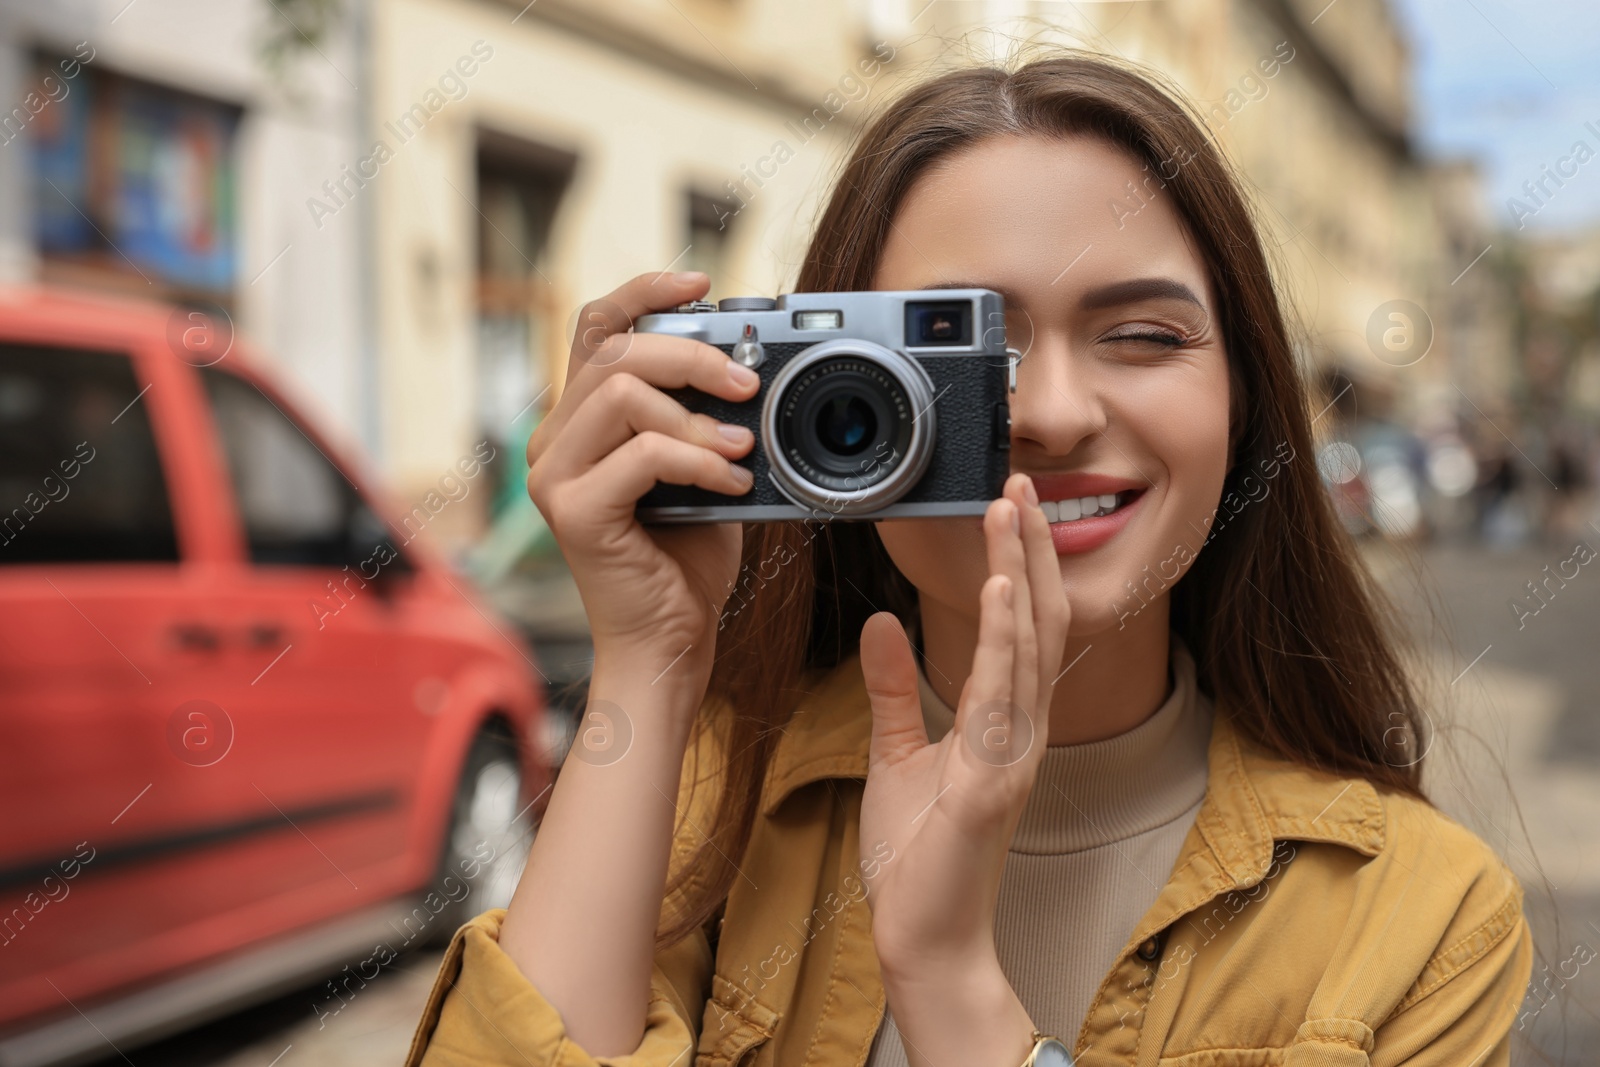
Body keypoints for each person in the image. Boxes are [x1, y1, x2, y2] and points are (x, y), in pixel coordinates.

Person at [406, 51, 1531, 1067]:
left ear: (1242, 399)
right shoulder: (697, 806)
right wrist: (648, 658)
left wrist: (950, 985)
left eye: (1141, 335)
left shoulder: (1423, 918)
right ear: (814, 399)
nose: (1047, 410)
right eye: (961, 341)